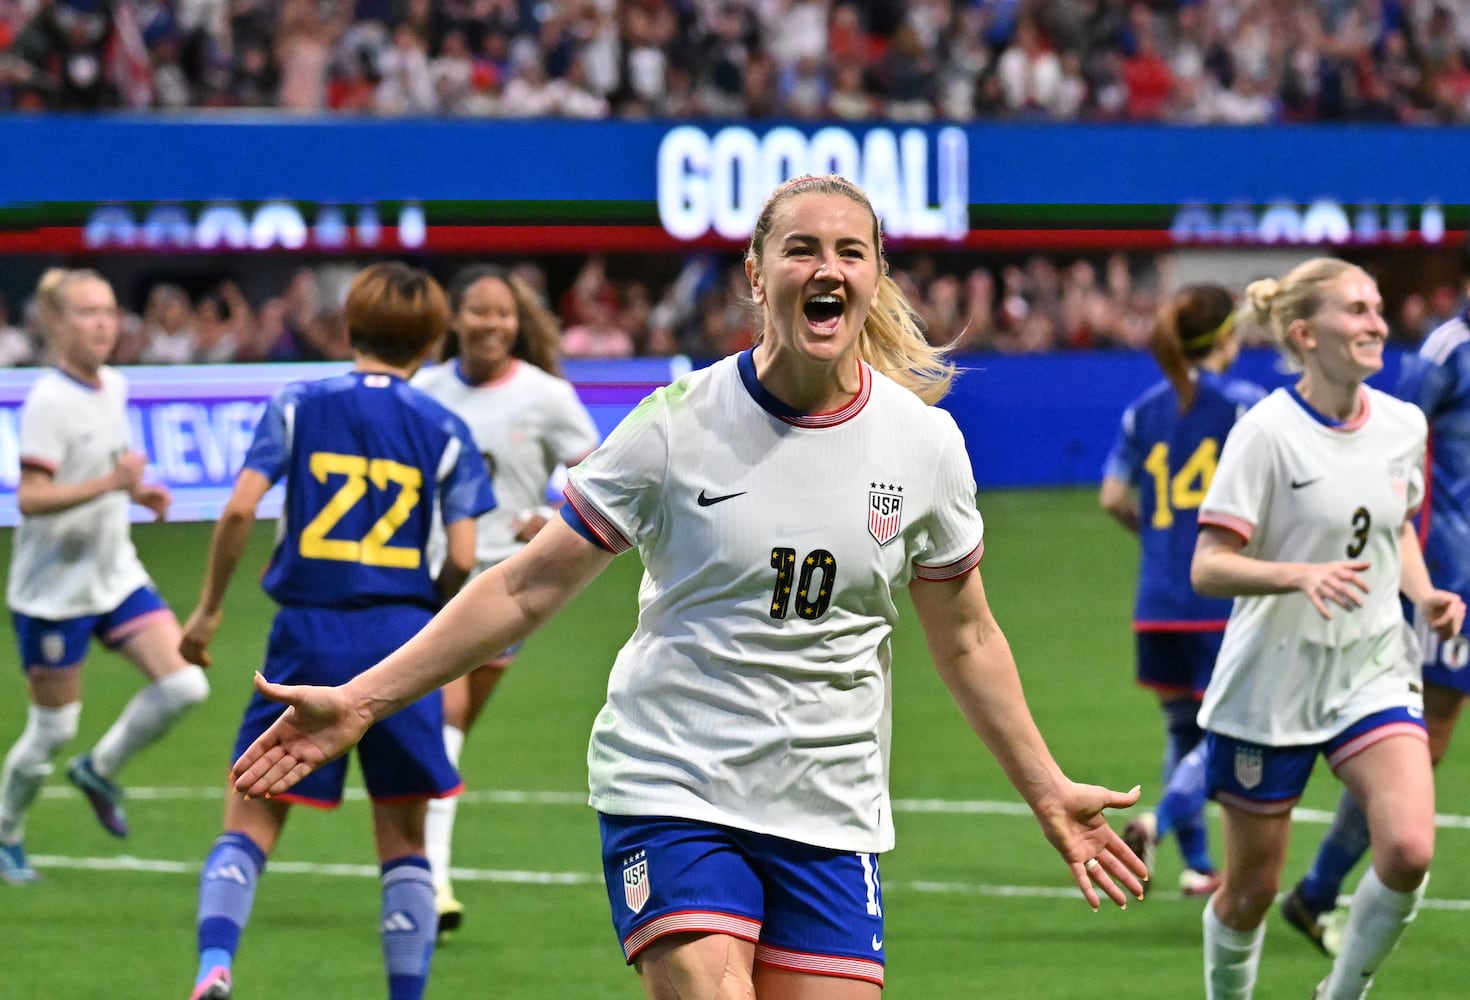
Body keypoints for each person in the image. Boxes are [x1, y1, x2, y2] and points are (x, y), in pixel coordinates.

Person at [226, 175, 1149, 1000]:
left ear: (873, 280)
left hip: (831, 805)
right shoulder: (676, 426)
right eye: (801, 248)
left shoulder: (924, 446)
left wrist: (1045, 789)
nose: (826, 267)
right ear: (757, 275)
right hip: (673, 784)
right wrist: (361, 700)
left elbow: (969, 637)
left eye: (850, 251)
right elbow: (524, 588)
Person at [176, 263, 495, 1000]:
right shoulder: (445, 425)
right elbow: (469, 554)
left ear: (348, 328)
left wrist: (209, 610)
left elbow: (235, 511)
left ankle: (214, 965)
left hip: (305, 637)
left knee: (251, 812)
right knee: (405, 842)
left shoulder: (297, 403)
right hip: (399, 645)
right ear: (430, 342)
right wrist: (429, 617)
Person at [1282, 210, 1470, 955]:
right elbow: (1386, 449)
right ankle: (1315, 892)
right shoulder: (1444, 355)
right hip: (1449, 590)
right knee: (1415, 753)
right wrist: (1403, 574)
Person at [1191, 258, 1465, 1000]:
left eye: (1378, 307)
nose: (1377, 322)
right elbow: (1209, 566)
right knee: (1249, 891)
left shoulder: (1403, 425)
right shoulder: (1266, 433)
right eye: (1357, 310)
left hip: (1371, 664)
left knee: (1409, 848)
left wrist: (1426, 591)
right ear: (1307, 334)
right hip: (1271, 682)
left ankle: (1340, 995)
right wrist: (1297, 575)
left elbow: (1391, 528)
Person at [0, 268, 210, 886]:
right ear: (57, 324)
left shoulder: (113, 385)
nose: (103, 324)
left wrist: (138, 493)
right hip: (53, 592)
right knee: (50, 731)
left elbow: (107, 468)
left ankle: (100, 769)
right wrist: (112, 486)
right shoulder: (48, 402)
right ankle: (7, 829)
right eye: (87, 312)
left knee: (186, 686)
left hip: (113, 573)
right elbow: (32, 500)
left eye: (110, 311)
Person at [410, 264, 600, 937]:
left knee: (451, 731)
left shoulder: (545, 396)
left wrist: (549, 516)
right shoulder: (425, 391)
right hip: (432, 583)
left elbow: (597, 473)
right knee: (444, 725)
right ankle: (429, 881)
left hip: (508, 590)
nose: (493, 324)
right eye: (480, 312)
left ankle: (414, 857)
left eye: (504, 314)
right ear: (454, 319)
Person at [1099, 285, 1266, 897]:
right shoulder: (1247, 405)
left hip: (1159, 602)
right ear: (1229, 336)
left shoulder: (1144, 409)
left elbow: (1113, 496)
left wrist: (1161, 538)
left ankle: (1198, 868)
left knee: (1183, 734)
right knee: (1225, 734)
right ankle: (1159, 822)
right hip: (1218, 601)